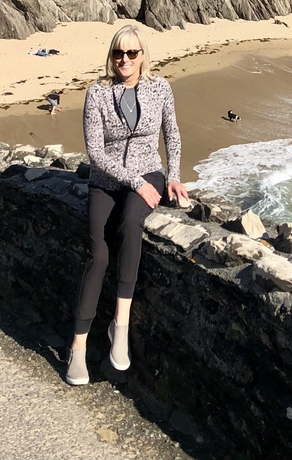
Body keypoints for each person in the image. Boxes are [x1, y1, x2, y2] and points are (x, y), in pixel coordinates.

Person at [65, 25, 189, 386]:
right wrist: (131, 180)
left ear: (142, 56)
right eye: (119, 52)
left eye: (132, 53)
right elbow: (96, 151)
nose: (125, 59)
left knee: (131, 223)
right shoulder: (97, 93)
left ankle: (120, 325)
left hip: (149, 174)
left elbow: (172, 133)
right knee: (98, 255)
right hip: (107, 181)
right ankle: (78, 347)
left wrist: (174, 175)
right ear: (111, 55)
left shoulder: (160, 88)